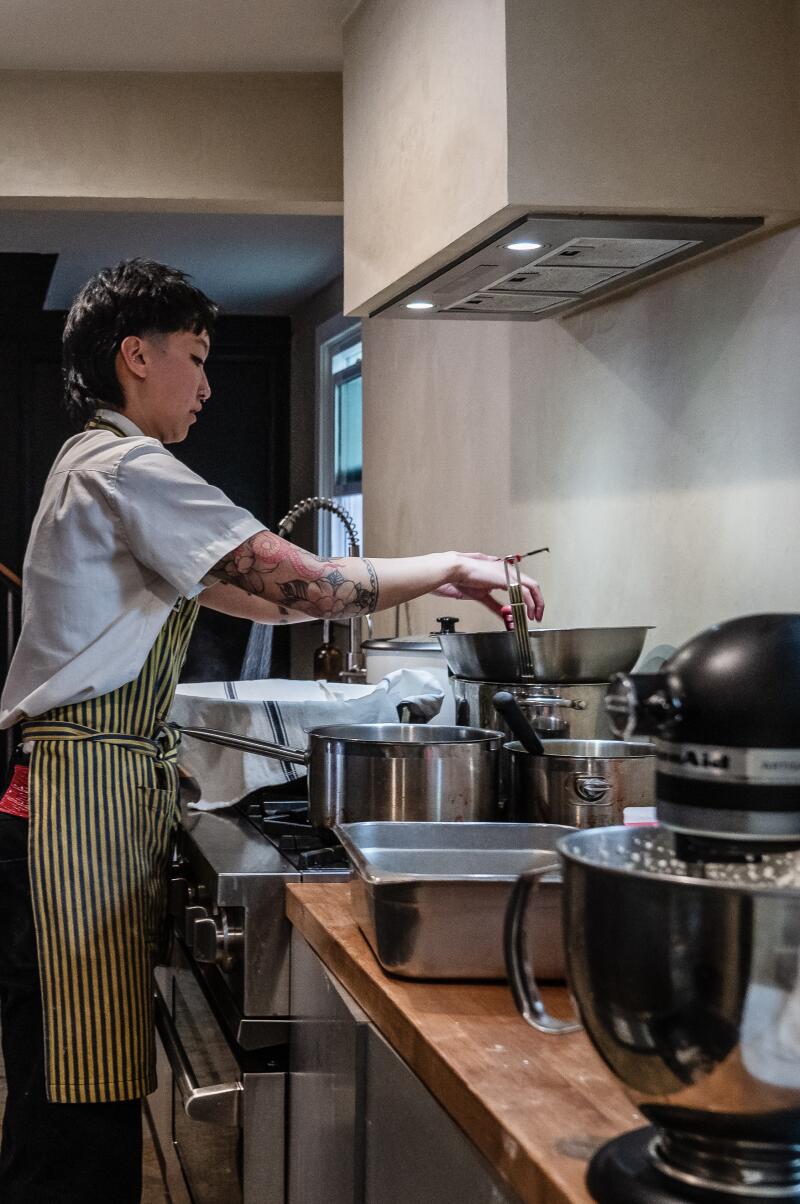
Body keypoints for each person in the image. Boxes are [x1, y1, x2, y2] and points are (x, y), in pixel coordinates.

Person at [0, 258, 543, 1203]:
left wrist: (396, 581)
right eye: (195, 356)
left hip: (78, 807)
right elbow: (308, 583)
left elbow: (270, 598)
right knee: (71, 1129)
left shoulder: (91, 463)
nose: (207, 384)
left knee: (77, 1107)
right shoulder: (128, 467)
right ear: (136, 356)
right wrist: (453, 563)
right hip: (73, 818)